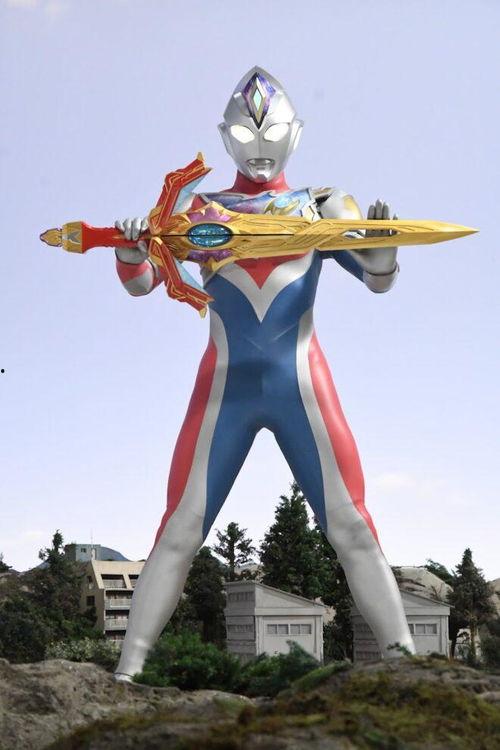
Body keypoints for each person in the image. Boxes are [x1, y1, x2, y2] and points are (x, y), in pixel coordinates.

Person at [113, 66, 415, 681]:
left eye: (272, 133)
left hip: (300, 382)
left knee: (353, 524)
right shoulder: (196, 210)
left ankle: (407, 663)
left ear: (294, 135)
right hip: (223, 388)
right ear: (225, 137)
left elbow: (376, 278)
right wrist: (130, 250)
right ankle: (127, 671)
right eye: (246, 135)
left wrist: (382, 254)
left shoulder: (324, 205)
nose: (259, 146)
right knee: (179, 529)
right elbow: (144, 282)